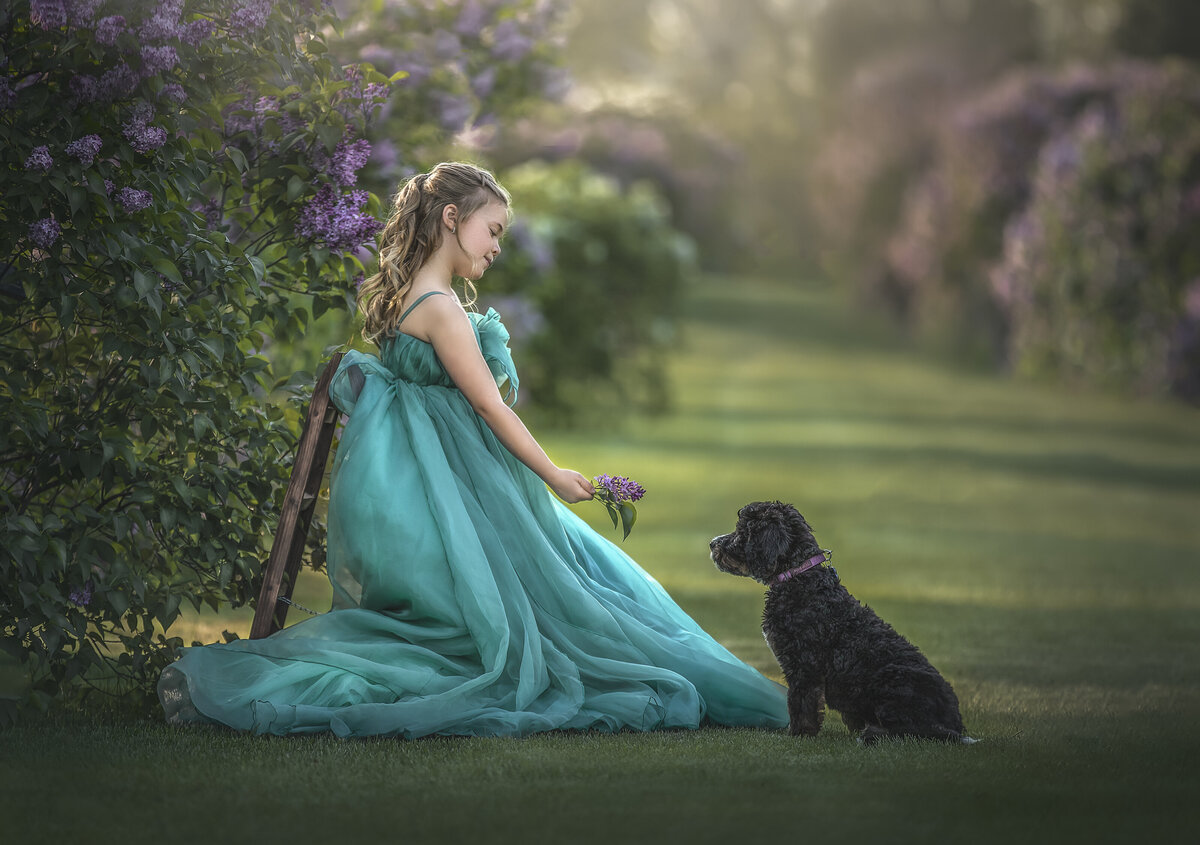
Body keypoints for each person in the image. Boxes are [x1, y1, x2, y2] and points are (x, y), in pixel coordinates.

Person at [157, 162, 788, 738]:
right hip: (458, 480)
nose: (496, 246)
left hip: (423, 476)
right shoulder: (442, 310)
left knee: (568, 580)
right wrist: (552, 474)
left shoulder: (409, 299)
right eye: (492, 229)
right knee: (566, 592)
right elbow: (489, 405)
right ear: (451, 220)